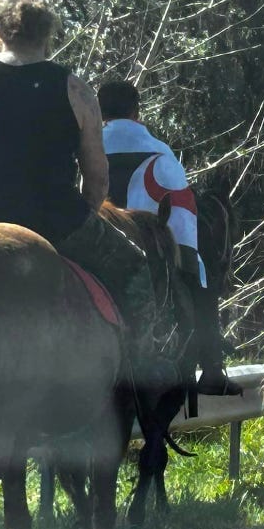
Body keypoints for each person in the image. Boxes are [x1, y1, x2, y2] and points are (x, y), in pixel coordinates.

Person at [0, 0, 171, 390]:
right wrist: (81, 215)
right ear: (49, 34)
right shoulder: (75, 88)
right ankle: (142, 374)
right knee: (136, 268)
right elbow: (98, 180)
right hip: (52, 223)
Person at [97, 80, 242, 396]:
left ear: (99, 111)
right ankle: (213, 371)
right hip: (150, 252)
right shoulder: (160, 152)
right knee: (200, 276)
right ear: (137, 111)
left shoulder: (87, 148)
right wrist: (189, 264)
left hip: (94, 248)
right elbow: (183, 223)